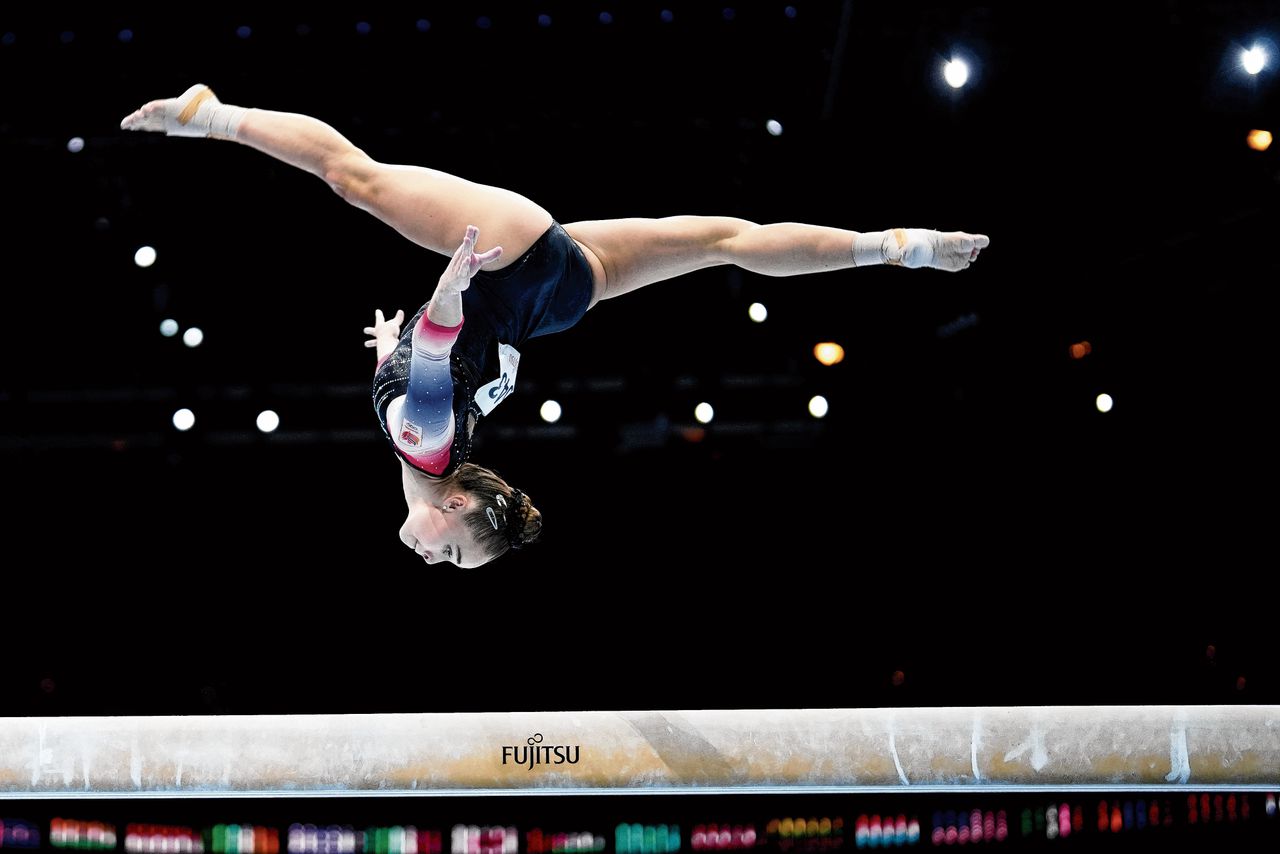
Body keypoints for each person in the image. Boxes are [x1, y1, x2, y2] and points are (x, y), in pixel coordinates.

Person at [120, 84, 990, 569]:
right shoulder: (425, 446)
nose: (437, 565)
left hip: (559, 301)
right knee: (354, 178)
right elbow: (435, 356)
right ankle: (213, 115)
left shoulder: (437, 441)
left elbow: (440, 369)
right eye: (455, 557)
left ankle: (895, 249)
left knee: (729, 241)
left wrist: (402, 344)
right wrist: (447, 293)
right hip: (505, 260)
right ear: (456, 506)